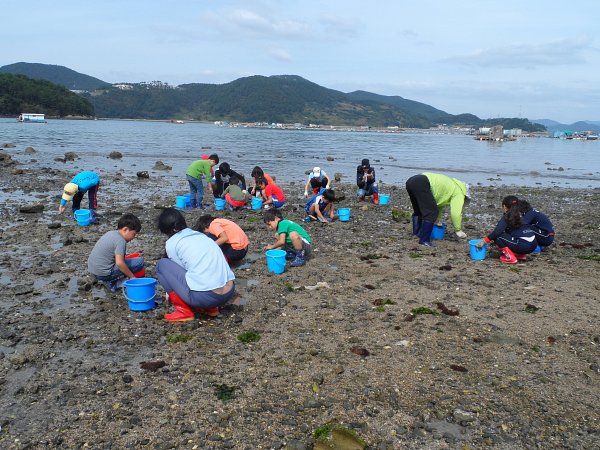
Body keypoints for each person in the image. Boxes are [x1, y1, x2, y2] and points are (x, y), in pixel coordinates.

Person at [156, 208, 235, 322]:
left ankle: (184, 311)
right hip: (229, 292)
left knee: (161, 265)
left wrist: (170, 292)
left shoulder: (172, 243)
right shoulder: (201, 235)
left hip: (208, 297)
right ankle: (212, 309)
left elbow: (180, 274)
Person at [405, 172, 470, 246]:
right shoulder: (459, 193)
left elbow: (437, 205)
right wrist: (458, 230)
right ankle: (424, 240)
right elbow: (456, 213)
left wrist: (437, 220)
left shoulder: (451, 185)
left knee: (419, 210)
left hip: (411, 181)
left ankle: (416, 234)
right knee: (431, 213)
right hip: (422, 183)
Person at [87, 213, 144, 292]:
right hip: (104, 273)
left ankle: (108, 280)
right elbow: (120, 263)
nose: (133, 238)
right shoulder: (121, 241)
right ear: (125, 229)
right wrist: (132, 276)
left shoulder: (111, 233)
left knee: (128, 261)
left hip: (93, 270)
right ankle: (114, 283)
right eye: (133, 234)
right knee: (140, 262)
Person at [479, 195, 537, 264]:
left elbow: (497, 232)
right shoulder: (520, 215)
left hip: (523, 246)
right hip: (533, 244)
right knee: (512, 235)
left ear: (504, 207)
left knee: (498, 236)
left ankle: (510, 258)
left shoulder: (507, 216)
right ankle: (521, 255)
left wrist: (484, 241)